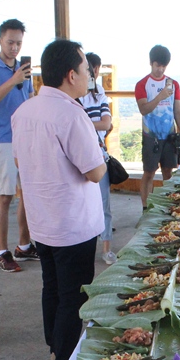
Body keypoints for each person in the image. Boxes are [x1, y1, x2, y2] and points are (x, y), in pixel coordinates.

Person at [12, 39, 106, 360]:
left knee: (51, 287)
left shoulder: (24, 111)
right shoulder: (71, 113)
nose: (88, 76)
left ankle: (54, 346)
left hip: (42, 221)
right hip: (73, 225)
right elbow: (94, 172)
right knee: (73, 296)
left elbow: (21, 162)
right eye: (85, 70)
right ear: (71, 75)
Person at [0, 18, 36, 272]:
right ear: (0, 40)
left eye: (19, 43)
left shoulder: (24, 70)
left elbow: (30, 99)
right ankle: (2, 251)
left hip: (26, 138)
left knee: (28, 193)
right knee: (5, 195)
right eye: (11, 42)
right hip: (4, 139)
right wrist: (13, 80)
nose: (15, 48)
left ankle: (24, 246)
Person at [135, 45, 180, 208]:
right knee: (149, 172)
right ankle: (145, 208)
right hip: (151, 136)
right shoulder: (142, 84)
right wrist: (160, 95)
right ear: (151, 63)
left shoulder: (173, 84)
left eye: (164, 66)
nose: (161, 70)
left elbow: (177, 110)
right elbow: (144, 109)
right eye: (158, 65)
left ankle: (168, 207)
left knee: (168, 172)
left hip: (169, 136)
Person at [78, 52, 115, 265]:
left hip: (98, 153)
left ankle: (107, 247)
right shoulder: (75, 96)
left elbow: (106, 123)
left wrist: (83, 126)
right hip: (80, 155)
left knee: (104, 203)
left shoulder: (99, 92)